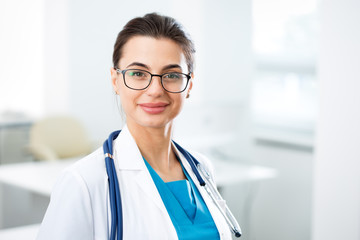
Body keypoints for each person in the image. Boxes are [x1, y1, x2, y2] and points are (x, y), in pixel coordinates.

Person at [37, 13, 236, 240]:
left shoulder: (201, 168)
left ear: (189, 84)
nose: (155, 90)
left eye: (171, 75)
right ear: (115, 80)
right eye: (138, 74)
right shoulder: (83, 182)